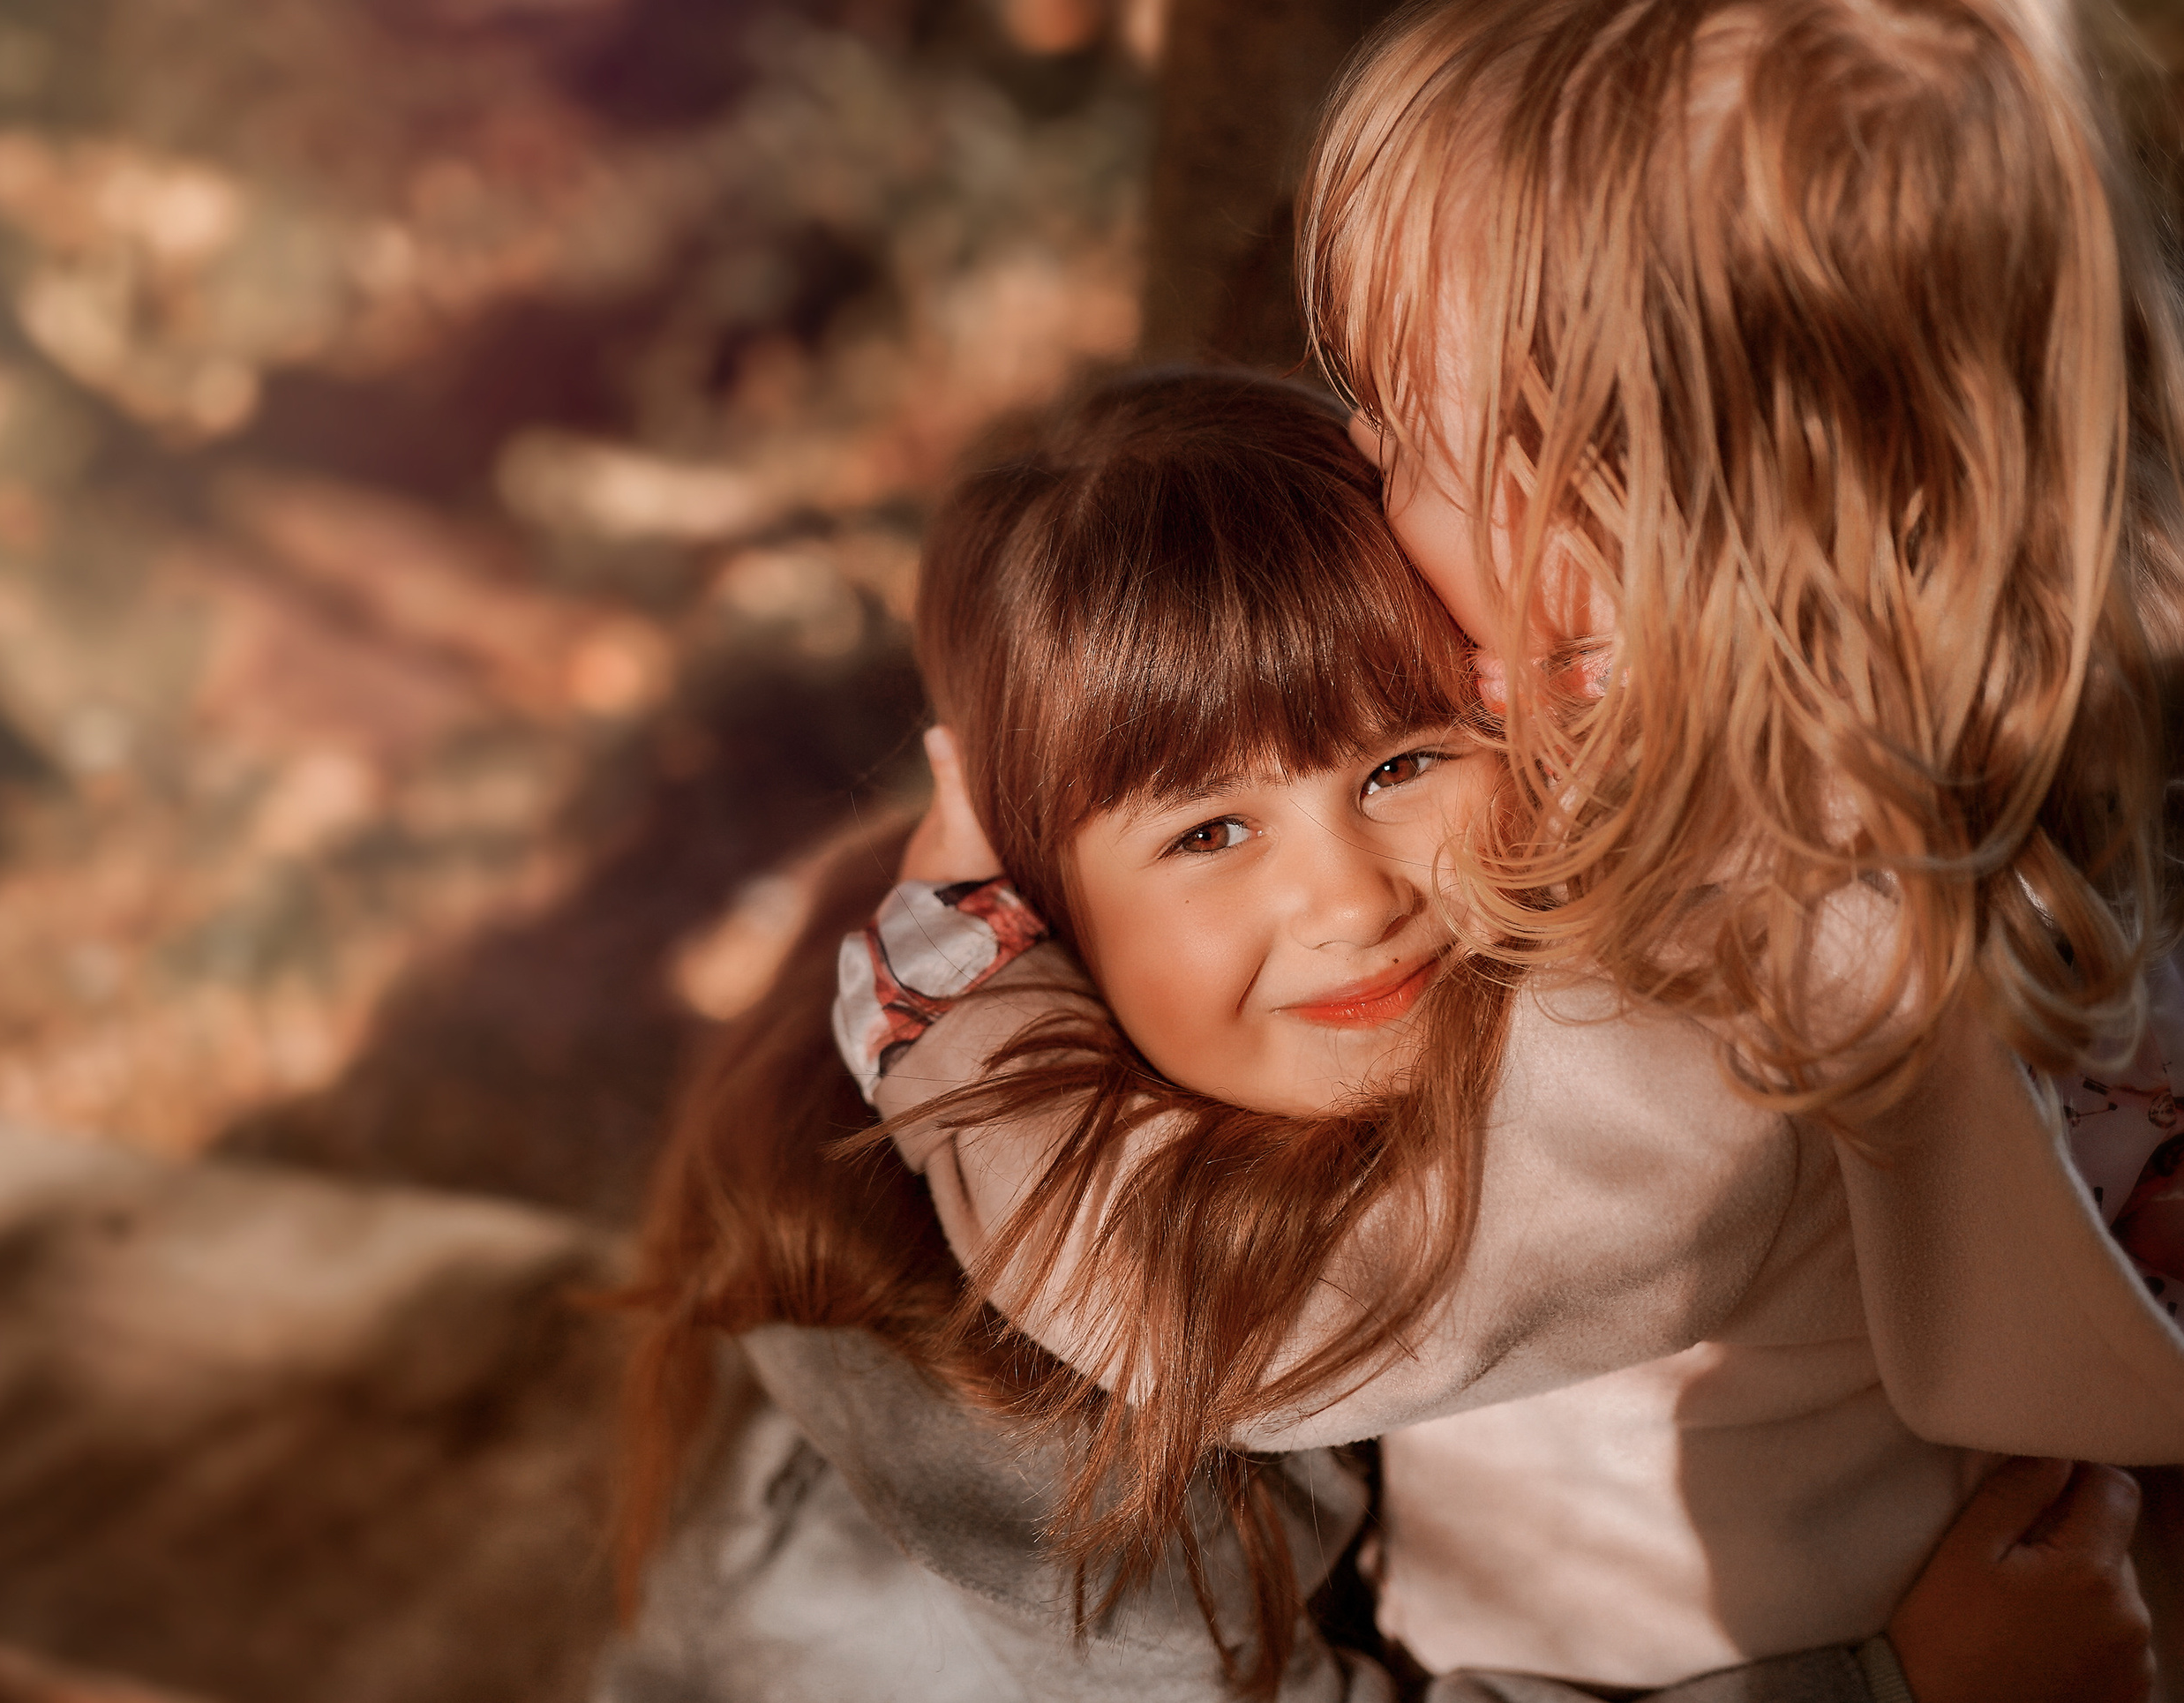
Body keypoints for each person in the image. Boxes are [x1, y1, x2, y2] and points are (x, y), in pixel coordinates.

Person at [854, 0, 2184, 1690]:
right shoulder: (1971, 724)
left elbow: (1286, 1325)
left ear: (1634, 511)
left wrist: (961, 991)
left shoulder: (1734, 958)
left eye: (1410, 432)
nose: (1362, 463)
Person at [612, 364, 2155, 1703]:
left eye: (1406, 762)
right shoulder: (983, 1359)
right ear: (1025, 899)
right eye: (1211, 834)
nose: (1352, 897)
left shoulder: (1497, 1052)